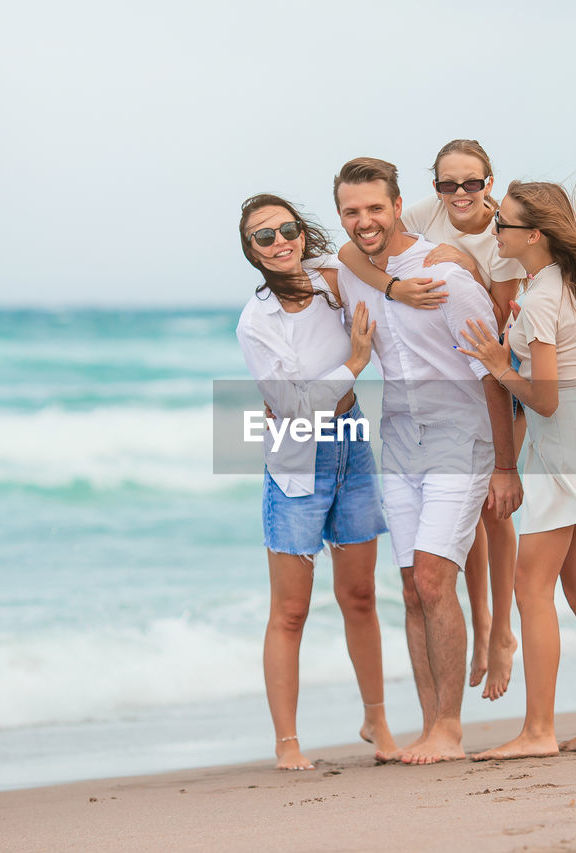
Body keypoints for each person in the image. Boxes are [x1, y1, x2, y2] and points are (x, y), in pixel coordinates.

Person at [332, 157, 522, 764]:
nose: (364, 222)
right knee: (413, 585)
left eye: (374, 209)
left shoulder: (445, 272)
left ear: (397, 206)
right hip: (398, 440)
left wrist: (505, 465)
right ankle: (428, 725)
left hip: (459, 440)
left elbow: (492, 373)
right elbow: (312, 269)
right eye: (351, 211)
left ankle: (450, 728)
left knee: (437, 577)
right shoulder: (354, 271)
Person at [458, 180, 576, 760]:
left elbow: (547, 400)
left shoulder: (540, 298)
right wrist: (533, 337)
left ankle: (538, 732)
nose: (492, 230)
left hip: (560, 453)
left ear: (533, 235)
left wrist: (500, 363)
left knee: (530, 589)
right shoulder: (567, 285)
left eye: (501, 223)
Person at [235, 193, 398, 770]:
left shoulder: (336, 282)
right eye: (263, 236)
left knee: (360, 595)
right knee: (291, 611)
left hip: (351, 441)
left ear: (302, 232)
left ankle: (376, 717)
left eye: (286, 229)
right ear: (251, 253)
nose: (279, 241)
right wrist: (352, 365)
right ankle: (287, 744)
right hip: (295, 456)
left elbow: (391, 280)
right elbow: (293, 406)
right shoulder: (257, 322)